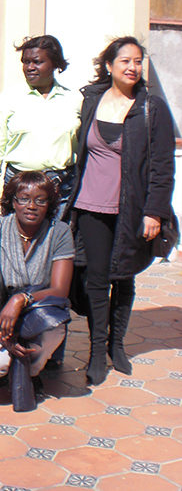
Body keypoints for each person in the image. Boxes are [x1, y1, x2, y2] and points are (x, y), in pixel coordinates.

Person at [67, 37, 176, 385]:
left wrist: (154, 212)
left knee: (124, 276)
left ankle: (118, 346)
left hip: (132, 207)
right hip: (90, 205)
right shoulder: (91, 100)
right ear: (109, 65)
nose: (132, 67)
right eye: (125, 60)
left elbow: (162, 165)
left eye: (138, 61)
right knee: (96, 280)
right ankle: (97, 351)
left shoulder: (151, 108)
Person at [0, 171, 73, 408]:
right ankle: (0, 375)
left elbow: (60, 289)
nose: (31, 206)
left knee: (47, 338)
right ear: (13, 201)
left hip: (37, 313)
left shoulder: (60, 231)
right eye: (24, 198)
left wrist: (21, 299)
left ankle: (32, 371)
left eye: (40, 200)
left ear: (50, 204)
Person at [0, 36, 80, 219]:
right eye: (26, 62)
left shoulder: (74, 100)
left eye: (37, 62)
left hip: (61, 190)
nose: (30, 67)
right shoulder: (9, 99)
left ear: (54, 64)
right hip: (19, 188)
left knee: (55, 243)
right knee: (17, 244)